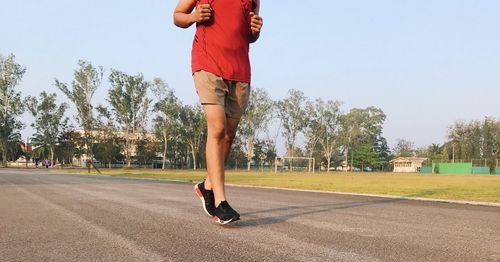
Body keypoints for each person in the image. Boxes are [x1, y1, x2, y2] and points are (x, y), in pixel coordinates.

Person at [174, 0, 263, 224]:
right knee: (218, 128)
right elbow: (177, 16)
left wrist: (255, 30)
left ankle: (206, 186)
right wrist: (194, 17)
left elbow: (249, 36)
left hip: (240, 69)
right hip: (208, 63)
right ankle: (220, 203)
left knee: (229, 134)